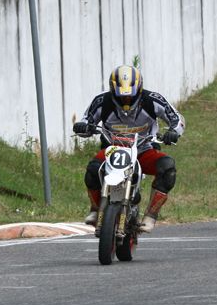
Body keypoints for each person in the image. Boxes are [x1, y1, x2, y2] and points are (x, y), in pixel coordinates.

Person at [73, 65, 185, 232]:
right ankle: (96, 209)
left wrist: (173, 132)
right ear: (113, 91)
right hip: (112, 150)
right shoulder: (101, 101)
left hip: (144, 150)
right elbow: (86, 121)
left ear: (139, 90)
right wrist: (83, 128)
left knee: (167, 167)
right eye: (121, 97)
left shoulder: (153, 99)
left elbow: (177, 120)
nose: (126, 102)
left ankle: (151, 215)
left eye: (130, 97)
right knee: (92, 170)